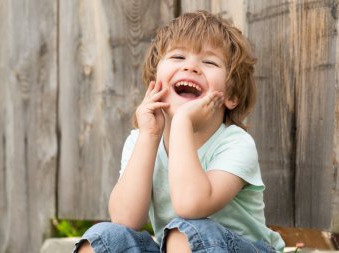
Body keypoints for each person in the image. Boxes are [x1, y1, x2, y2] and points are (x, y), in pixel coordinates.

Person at [73, 10, 285, 253]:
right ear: (155, 79)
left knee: (186, 233)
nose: (191, 67)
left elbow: (190, 205)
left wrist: (183, 122)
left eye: (209, 62)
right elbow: (125, 219)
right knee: (103, 239)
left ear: (232, 95)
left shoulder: (235, 143)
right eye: (178, 57)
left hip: (243, 248)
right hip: (174, 247)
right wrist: (149, 136)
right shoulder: (142, 140)